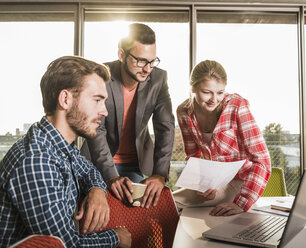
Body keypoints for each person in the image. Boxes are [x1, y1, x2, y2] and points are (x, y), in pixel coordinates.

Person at [0, 56, 131, 248]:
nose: (105, 111)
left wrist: (97, 191)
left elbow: (89, 171)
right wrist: (116, 238)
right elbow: (64, 245)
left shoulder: (58, 144)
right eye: (97, 100)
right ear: (65, 99)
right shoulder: (37, 162)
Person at [81, 23, 175, 209]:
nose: (147, 69)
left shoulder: (158, 79)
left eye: (152, 61)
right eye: (140, 61)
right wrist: (111, 176)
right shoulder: (101, 76)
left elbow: (166, 126)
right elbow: (97, 127)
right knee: (97, 213)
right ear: (121, 55)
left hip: (135, 164)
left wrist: (160, 174)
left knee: (142, 212)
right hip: (97, 162)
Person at [174, 60, 271, 216]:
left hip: (242, 182)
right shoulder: (183, 112)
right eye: (207, 92)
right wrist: (202, 185)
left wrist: (242, 203)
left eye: (220, 92)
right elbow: (193, 157)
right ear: (193, 88)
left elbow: (262, 160)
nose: (214, 99)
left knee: (173, 203)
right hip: (214, 182)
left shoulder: (237, 106)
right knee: (168, 203)